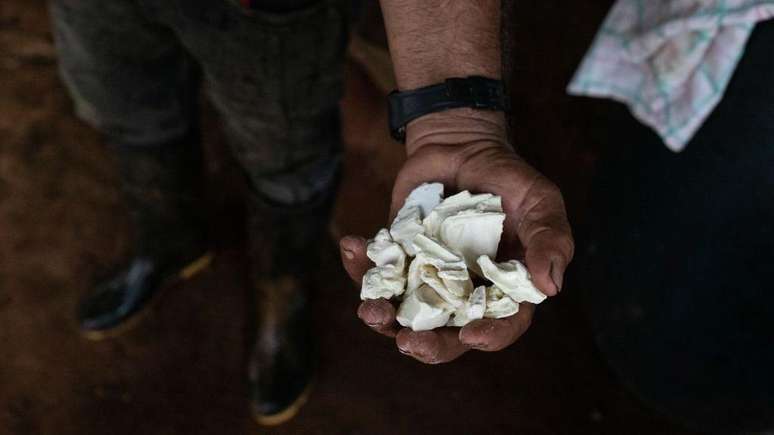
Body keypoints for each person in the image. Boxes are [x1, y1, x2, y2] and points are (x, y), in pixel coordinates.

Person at [52, 0, 571, 426]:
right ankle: (168, 238)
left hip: (265, 13)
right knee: (127, 111)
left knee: (287, 160)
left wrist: (458, 122)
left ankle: (283, 291)